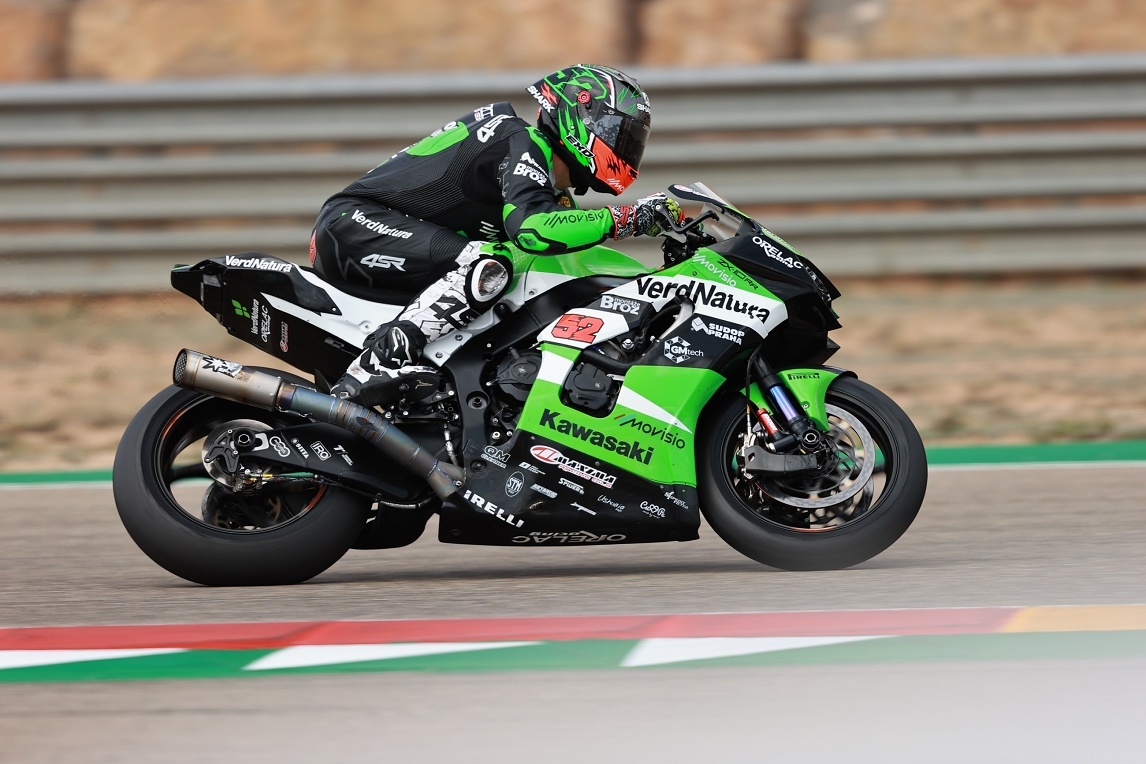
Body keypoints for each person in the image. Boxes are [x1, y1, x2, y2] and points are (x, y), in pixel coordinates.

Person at [309, 64, 681, 406]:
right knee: (492, 264)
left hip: (389, 239)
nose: (626, 148)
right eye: (618, 133)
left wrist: (656, 276)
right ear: (581, 114)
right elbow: (532, 231)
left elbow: (569, 258)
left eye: (633, 141)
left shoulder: (551, 193)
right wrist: (630, 218)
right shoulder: (520, 139)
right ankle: (375, 365)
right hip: (353, 224)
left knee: (518, 274)